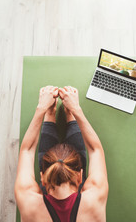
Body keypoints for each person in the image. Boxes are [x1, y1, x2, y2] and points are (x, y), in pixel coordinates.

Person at [15, 86, 109, 222]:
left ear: (42, 177)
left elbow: (27, 150)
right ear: (80, 176)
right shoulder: (93, 198)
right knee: (63, 164)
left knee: (60, 168)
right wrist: (75, 109)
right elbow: (95, 150)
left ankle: (50, 114)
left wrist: (42, 108)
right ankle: (66, 115)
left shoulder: (29, 202)